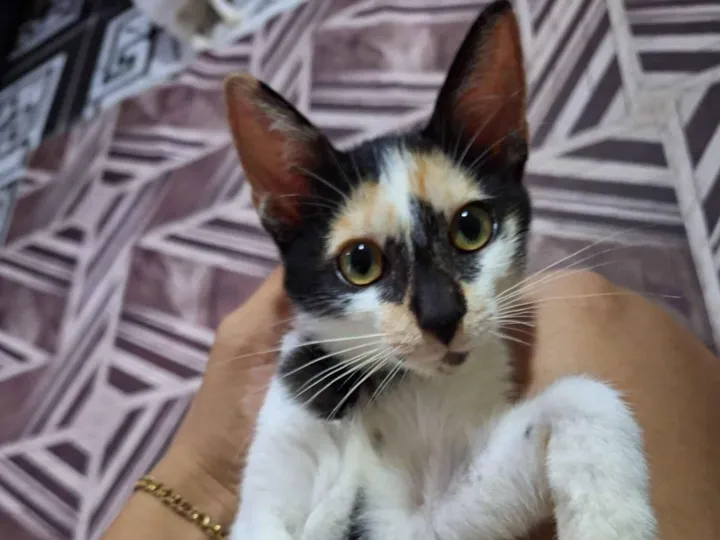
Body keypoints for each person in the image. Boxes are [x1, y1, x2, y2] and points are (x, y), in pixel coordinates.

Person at [102, 268, 720, 540]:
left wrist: (201, 475)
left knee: (585, 362)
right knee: (589, 314)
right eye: (364, 263)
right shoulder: (294, 390)